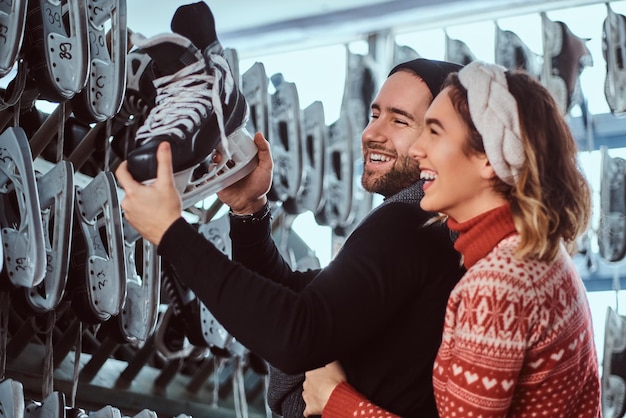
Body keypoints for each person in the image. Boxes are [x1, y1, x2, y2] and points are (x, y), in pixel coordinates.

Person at [115, 58, 465, 417]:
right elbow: (299, 299)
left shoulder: (409, 224)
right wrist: (249, 209)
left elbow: (295, 334)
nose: (372, 133)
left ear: (443, 139)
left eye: (400, 120)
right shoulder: (434, 229)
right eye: (375, 115)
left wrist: (171, 232)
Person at [301, 60, 602, 417]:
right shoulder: (538, 254)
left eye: (434, 132)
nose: (416, 150)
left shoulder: (496, 285)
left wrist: (334, 399)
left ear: (489, 159)